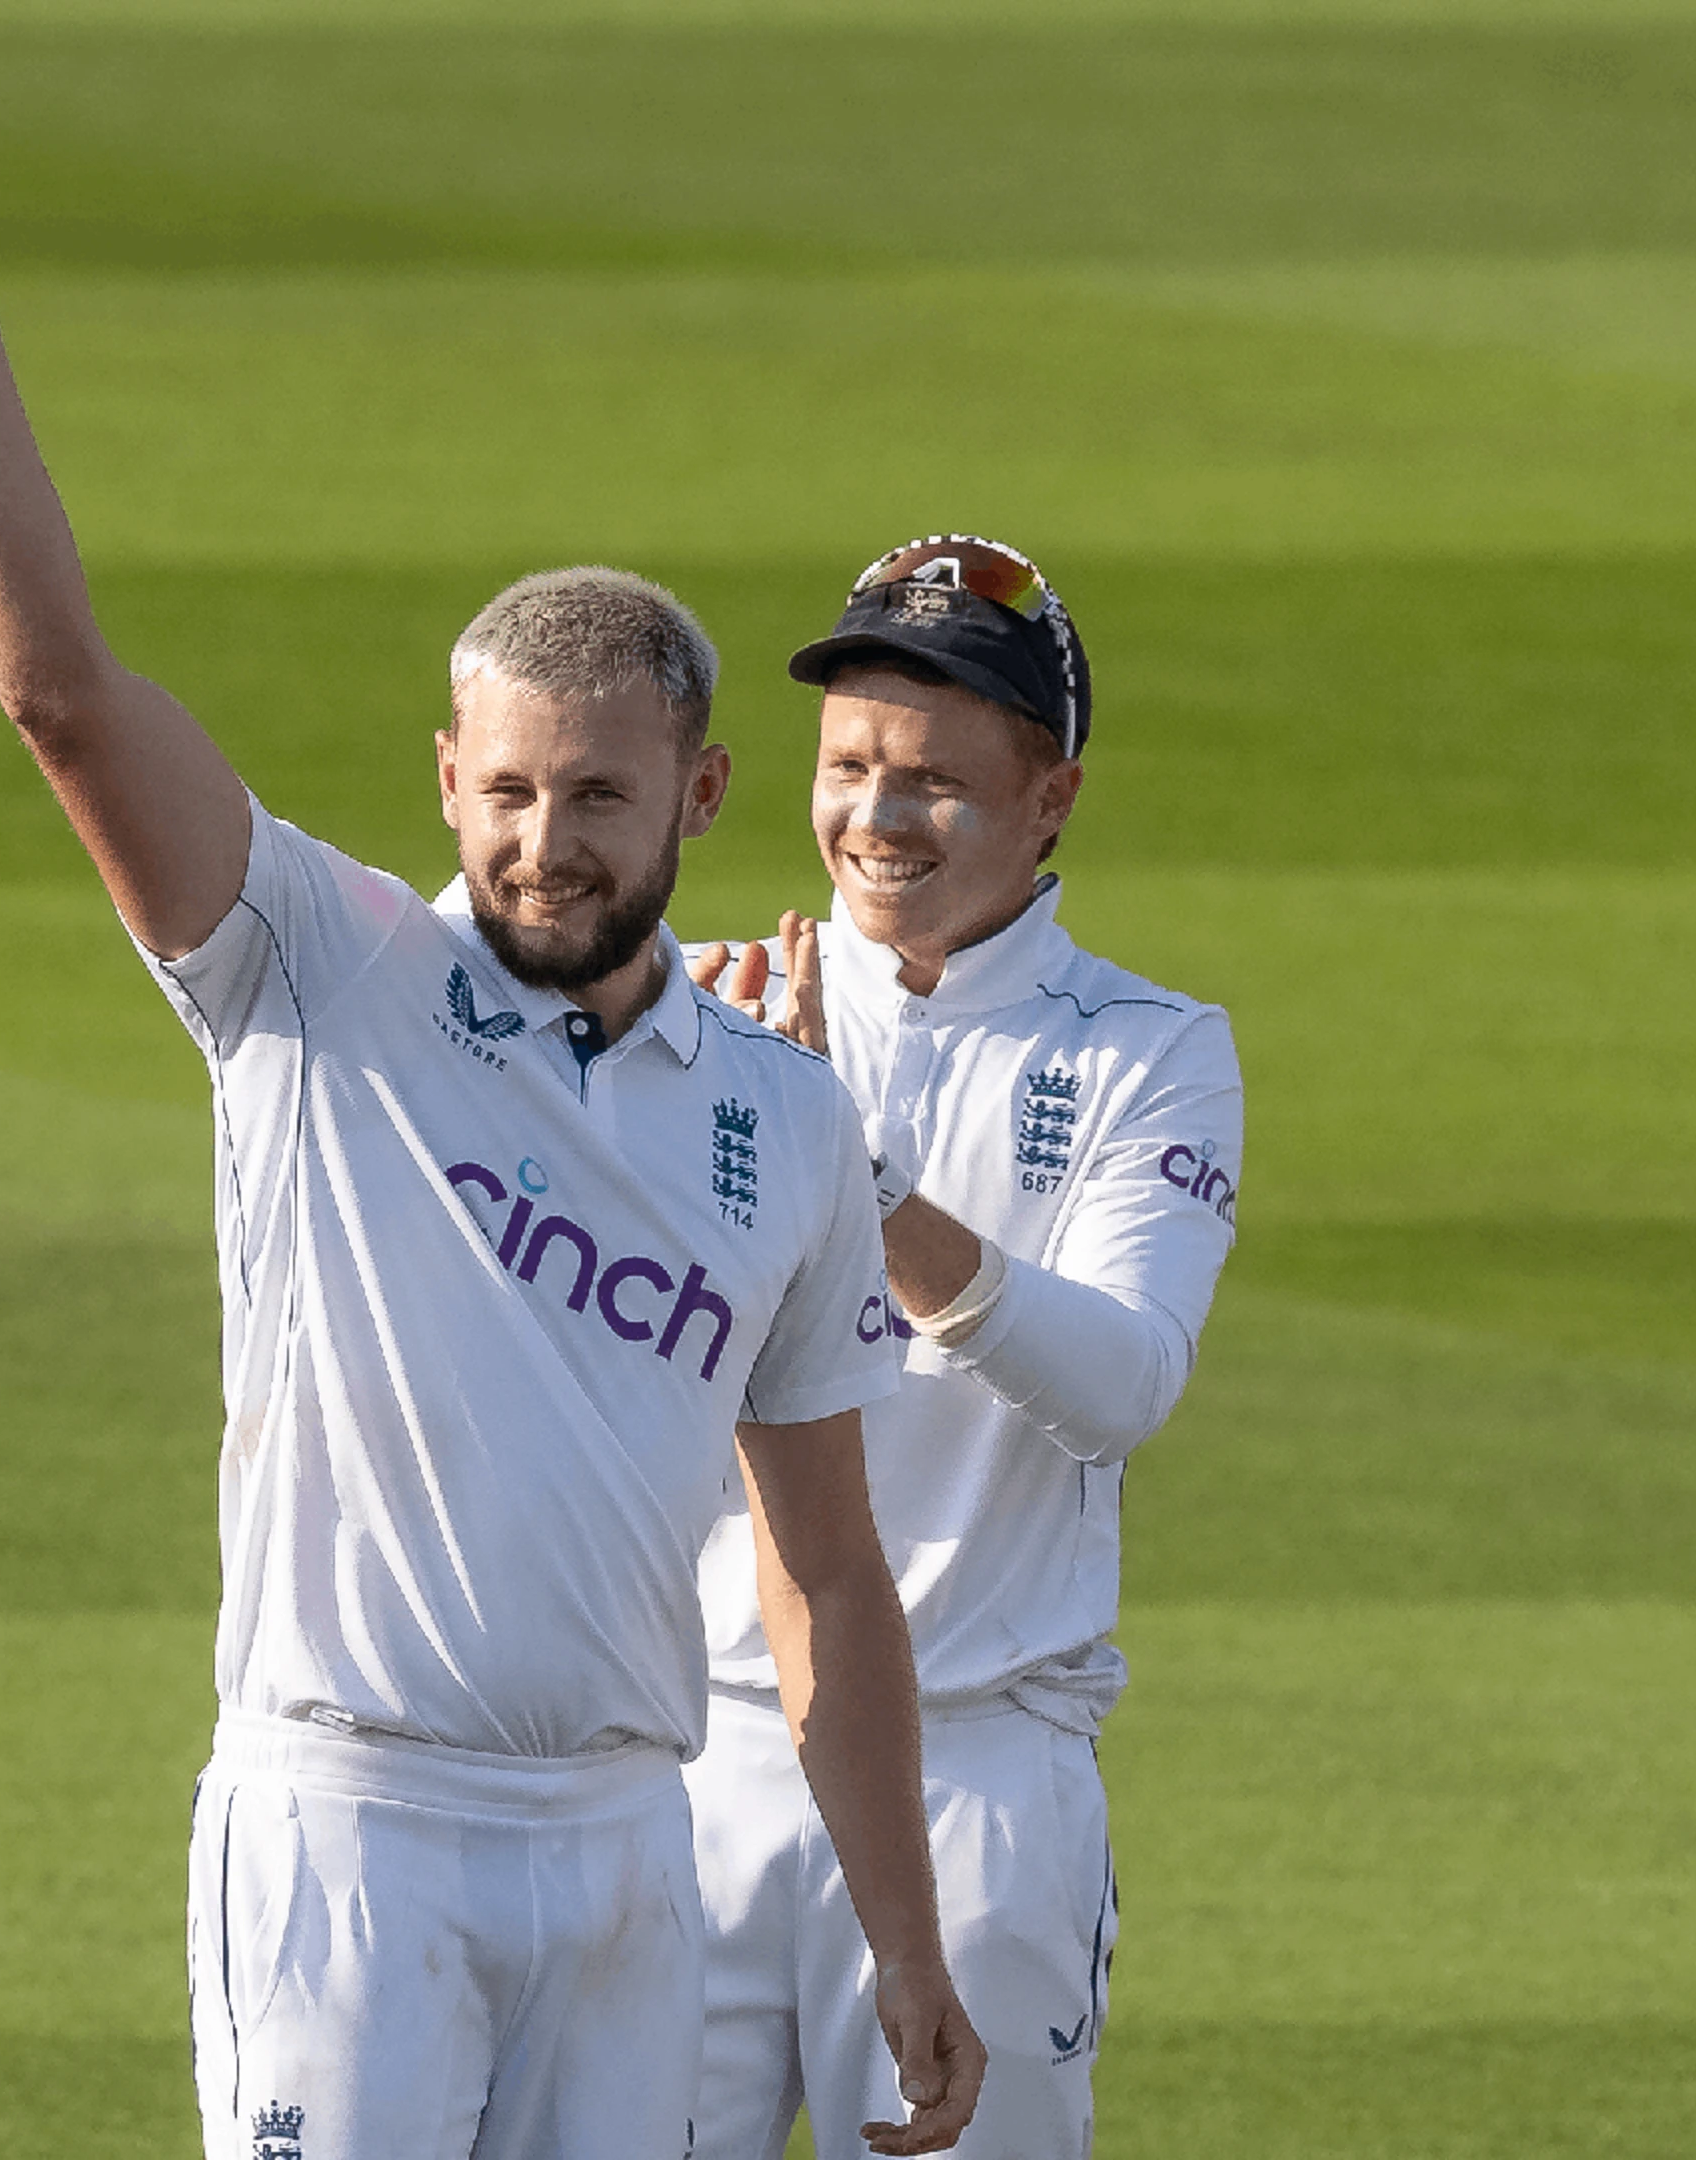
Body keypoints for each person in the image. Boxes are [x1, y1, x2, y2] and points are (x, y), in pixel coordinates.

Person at [0, 75, 980, 2160]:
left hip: (624, 1846)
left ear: (693, 800)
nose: (542, 843)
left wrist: (908, 1939)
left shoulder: (785, 1123)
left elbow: (833, 1583)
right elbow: (61, 691)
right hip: (353, 1831)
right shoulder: (318, 973)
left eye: (596, 796)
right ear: (444, 782)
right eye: (505, 793)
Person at [682, 536, 1244, 2160]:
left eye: (932, 781)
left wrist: (854, 1174)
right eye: (847, 766)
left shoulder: (1153, 1053)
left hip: (983, 1772)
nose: (876, 817)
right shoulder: (698, 1007)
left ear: (1052, 796)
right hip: (688, 1751)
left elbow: (1120, 1387)